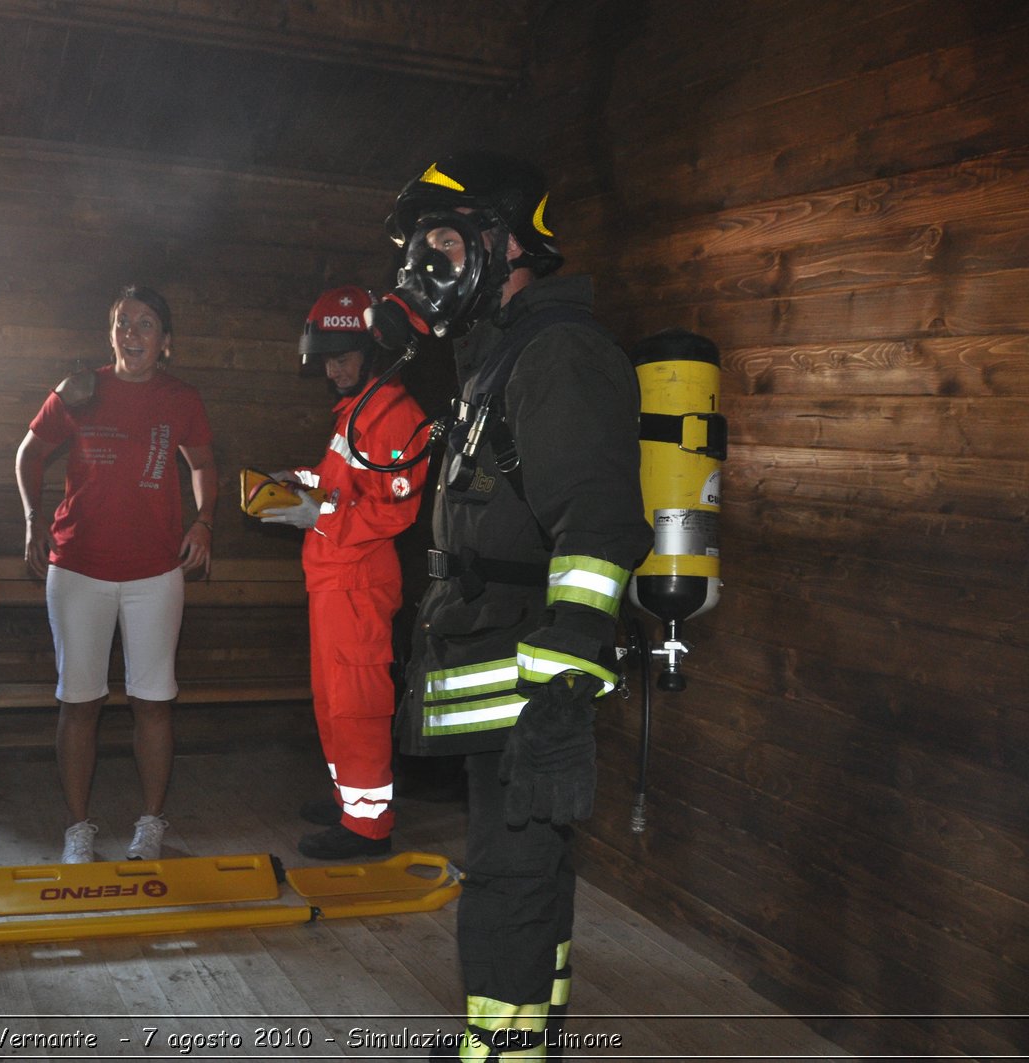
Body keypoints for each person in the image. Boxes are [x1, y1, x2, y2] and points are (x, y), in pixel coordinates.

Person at [372, 152, 654, 1060]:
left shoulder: (558, 355)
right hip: (495, 670)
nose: (424, 268)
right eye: (418, 250)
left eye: (443, 244)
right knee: (525, 873)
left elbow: (600, 523)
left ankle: (504, 1050)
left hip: (531, 683)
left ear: (505, 245)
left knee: (509, 879)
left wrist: (566, 686)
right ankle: (537, 1034)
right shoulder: (497, 359)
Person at [15, 285, 216, 864]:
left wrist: (204, 522)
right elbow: (29, 453)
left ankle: (150, 824)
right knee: (80, 701)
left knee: (153, 700)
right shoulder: (80, 390)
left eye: (146, 324)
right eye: (123, 323)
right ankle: (78, 827)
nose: (132, 334)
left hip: (156, 572)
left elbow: (203, 465)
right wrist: (32, 518)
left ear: (166, 342)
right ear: (111, 334)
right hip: (79, 568)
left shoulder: (181, 398)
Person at [259, 286, 429, 861]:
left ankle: (368, 828)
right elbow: (342, 487)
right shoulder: (357, 411)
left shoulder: (397, 414)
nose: (331, 368)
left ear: (374, 350)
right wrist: (299, 484)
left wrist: (319, 514)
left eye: (342, 355)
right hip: (332, 579)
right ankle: (348, 801)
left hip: (358, 583)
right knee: (331, 701)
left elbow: (397, 509)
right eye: (324, 357)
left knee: (357, 705)